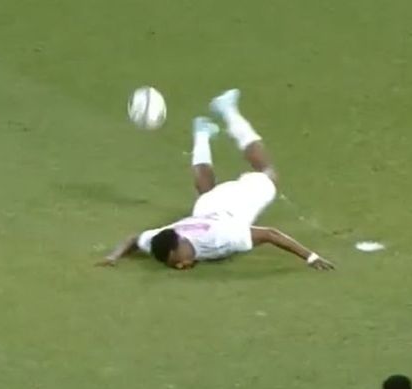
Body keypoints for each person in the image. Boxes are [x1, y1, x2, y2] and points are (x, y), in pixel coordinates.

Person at [99, 89, 334, 271]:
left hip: (235, 208)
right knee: (206, 194)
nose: (180, 265)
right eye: (174, 264)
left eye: (177, 260)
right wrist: (113, 256)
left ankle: (228, 109)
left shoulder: (224, 238)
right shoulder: (160, 240)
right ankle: (201, 132)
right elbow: (134, 239)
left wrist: (311, 257)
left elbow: (270, 234)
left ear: (180, 243)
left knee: (268, 174)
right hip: (207, 209)